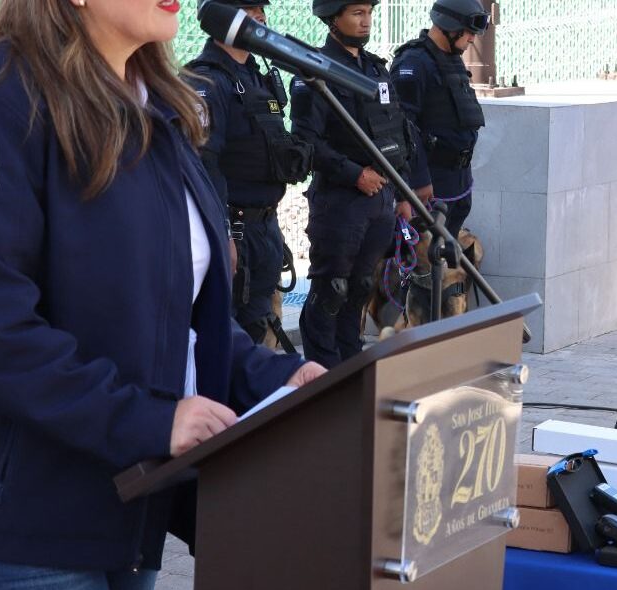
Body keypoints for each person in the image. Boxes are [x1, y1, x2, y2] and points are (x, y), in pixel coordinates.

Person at [0, 0, 326, 590]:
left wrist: (273, 378)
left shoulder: (151, 104)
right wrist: (148, 420)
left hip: (124, 505)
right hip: (10, 527)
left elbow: (169, 307)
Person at [292, 0, 414, 368]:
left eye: (369, 13)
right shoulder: (315, 69)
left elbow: (397, 132)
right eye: (357, 14)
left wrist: (403, 192)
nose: (366, 22)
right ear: (333, 19)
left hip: (381, 199)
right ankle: (322, 375)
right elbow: (306, 140)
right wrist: (354, 174)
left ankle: (350, 368)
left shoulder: (376, 69)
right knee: (331, 290)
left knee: (360, 288)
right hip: (340, 201)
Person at [185, 0, 312, 348]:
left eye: (260, 8)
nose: (259, 17)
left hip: (265, 227)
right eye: (246, 9)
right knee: (224, 338)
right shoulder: (206, 80)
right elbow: (204, 166)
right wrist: (223, 233)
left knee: (259, 329)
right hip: (232, 231)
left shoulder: (256, 75)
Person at [393, 0, 489, 239]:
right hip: (429, 188)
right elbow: (403, 128)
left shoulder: (451, 57)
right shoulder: (413, 62)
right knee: (423, 256)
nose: (472, 39)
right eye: (468, 32)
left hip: (458, 183)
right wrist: (418, 181)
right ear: (450, 26)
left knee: (446, 255)